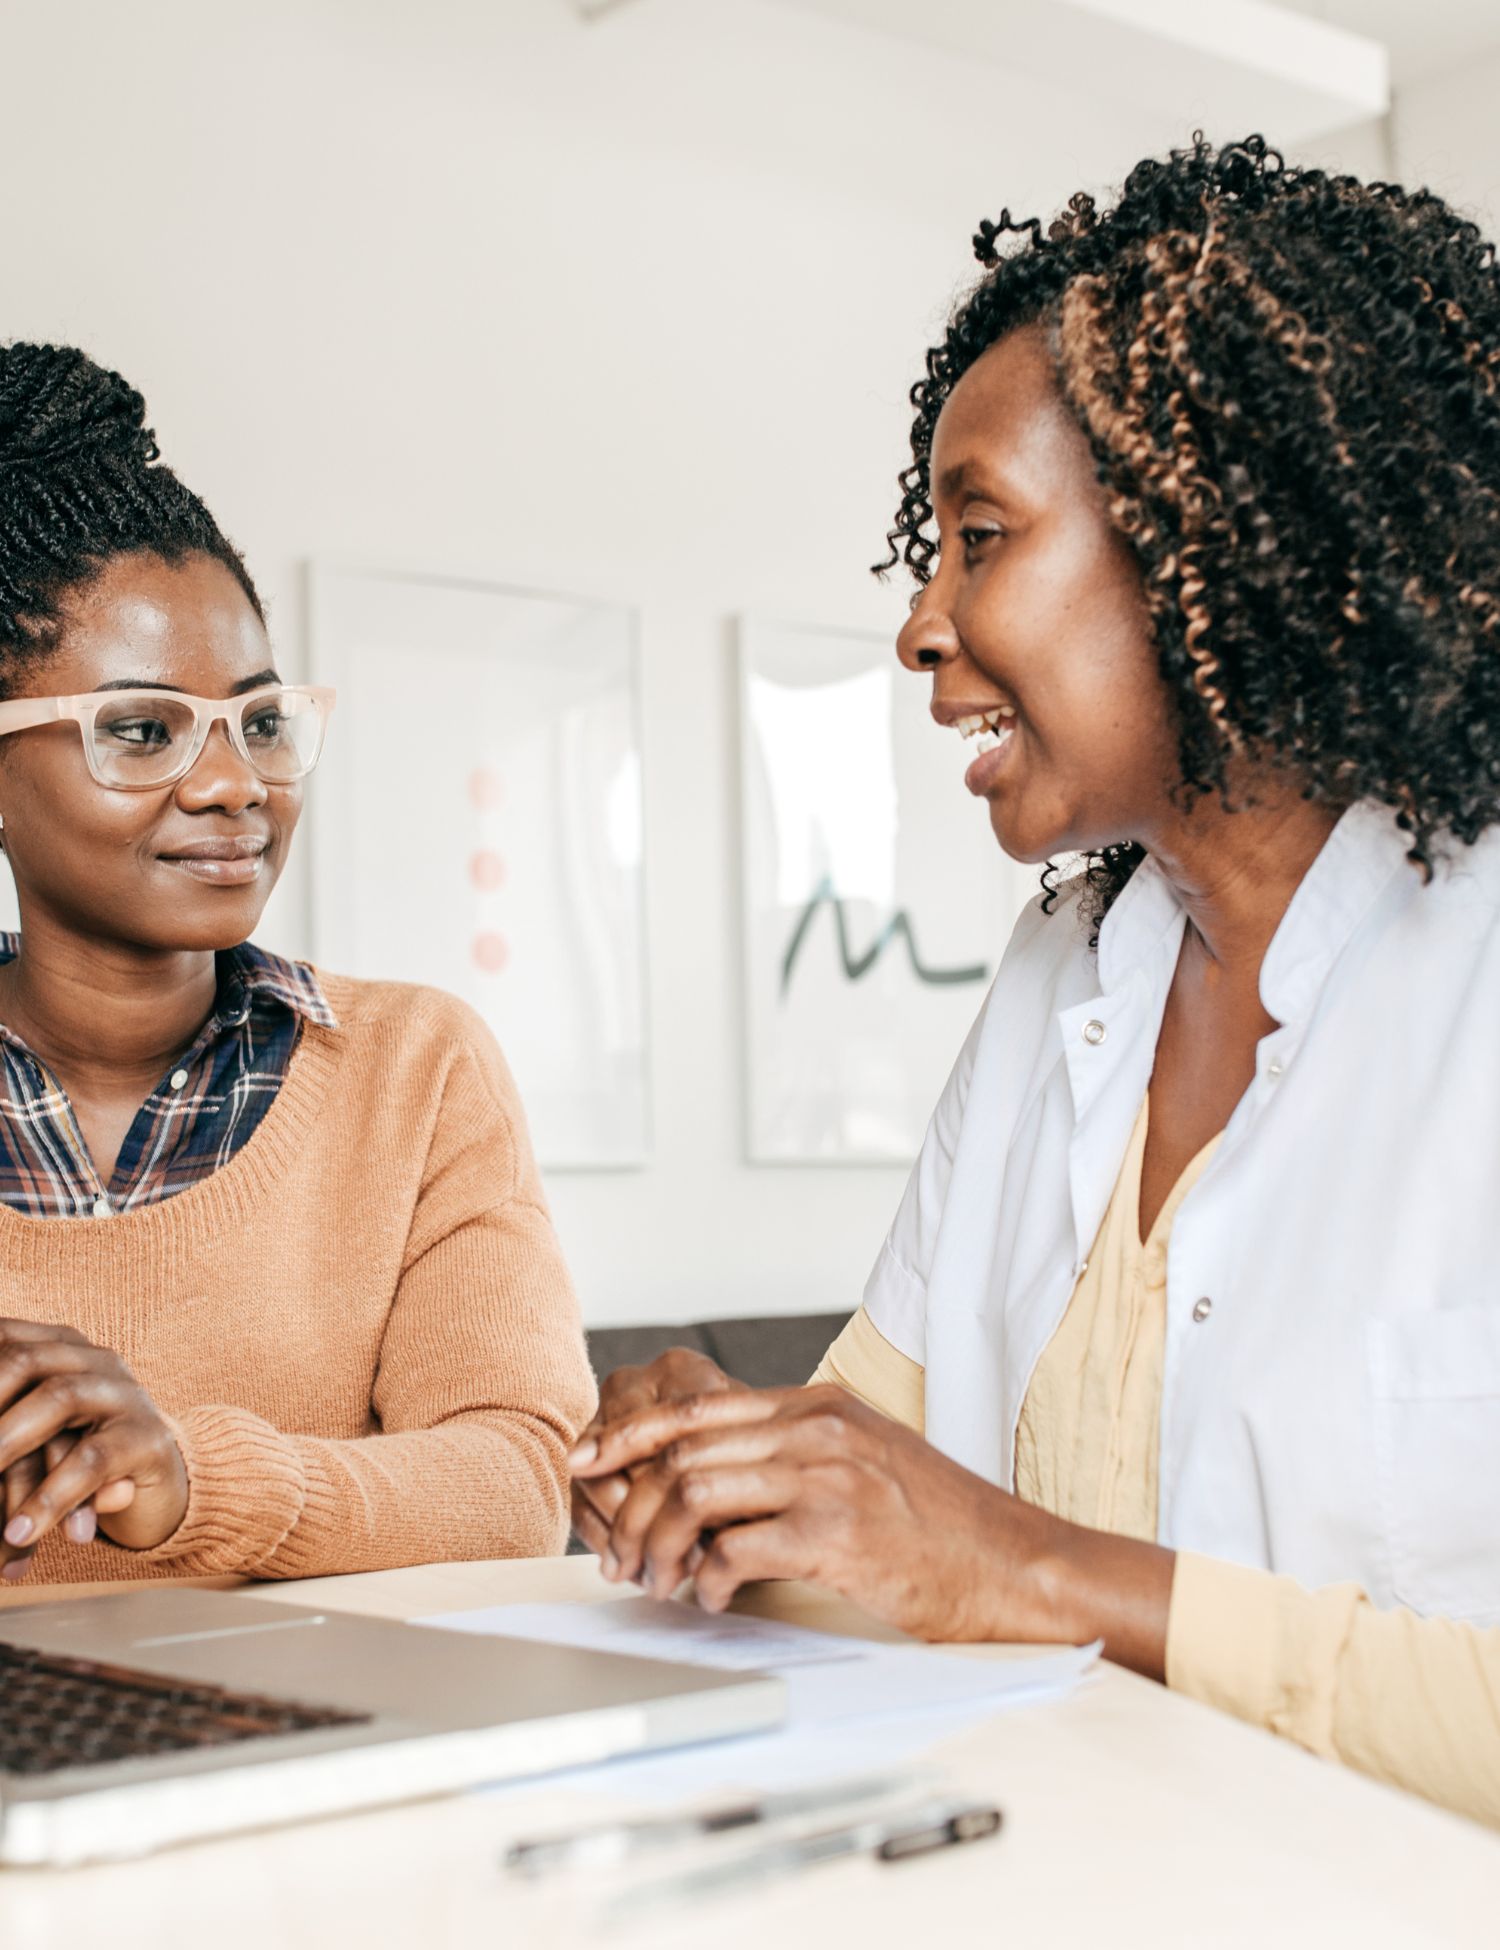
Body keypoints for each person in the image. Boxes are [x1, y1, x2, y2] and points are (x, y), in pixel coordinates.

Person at [571, 136, 1500, 1828]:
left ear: (1208, 534)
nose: (922, 623)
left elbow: (986, 1562)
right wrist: (717, 1475)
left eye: (980, 533)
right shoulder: (1062, 973)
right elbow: (879, 1521)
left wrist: (1034, 1565)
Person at [0, 342, 594, 1587]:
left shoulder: (416, 1069)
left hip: (317, 1758)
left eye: (261, 721)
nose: (232, 785)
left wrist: (185, 1483)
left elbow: (522, 1482)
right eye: (142, 731)